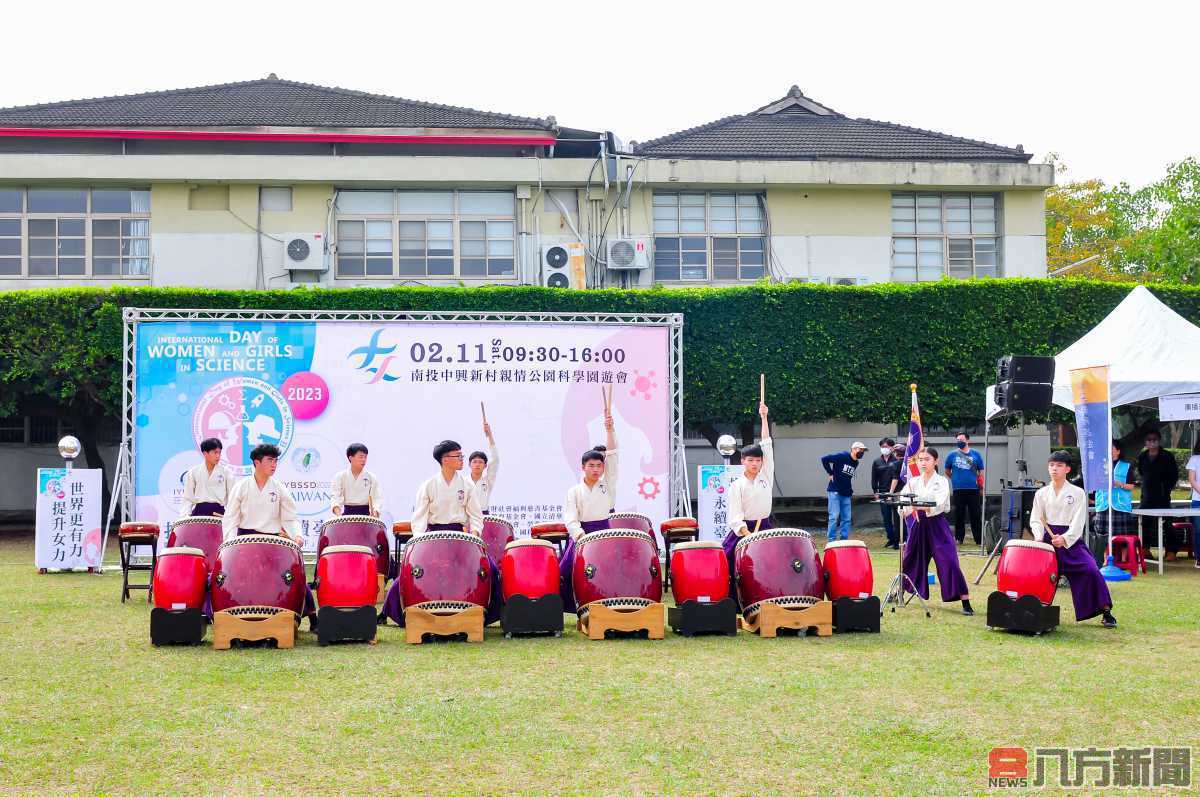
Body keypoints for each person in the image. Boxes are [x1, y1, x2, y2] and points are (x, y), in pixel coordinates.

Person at [380, 440, 492, 626]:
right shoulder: (429, 485)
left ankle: (485, 613)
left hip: (459, 537)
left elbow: (475, 514)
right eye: (459, 456)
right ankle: (391, 611)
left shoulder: (466, 485)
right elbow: (419, 517)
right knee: (408, 574)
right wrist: (419, 540)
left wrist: (477, 531)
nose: (462, 459)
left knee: (489, 569)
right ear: (446, 459)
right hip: (434, 538)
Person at [222, 444, 315, 628]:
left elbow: (290, 517)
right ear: (257, 462)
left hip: (273, 543)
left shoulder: (279, 489)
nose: (274, 465)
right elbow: (231, 518)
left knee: (293, 577)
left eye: (275, 461)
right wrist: (229, 543)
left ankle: (312, 615)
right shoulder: (241, 487)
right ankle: (228, 616)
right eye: (269, 460)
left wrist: (296, 535)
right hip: (244, 542)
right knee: (229, 577)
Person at [1031, 451, 1117, 627]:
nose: (1054, 469)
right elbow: (1036, 518)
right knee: (1036, 575)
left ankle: (1105, 611)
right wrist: (1039, 537)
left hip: (1070, 540)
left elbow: (1078, 522)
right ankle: (1032, 609)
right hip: (1047, 541)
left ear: (1067, 469)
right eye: (1052, 465)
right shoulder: (1041, 493)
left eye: (1059, 465)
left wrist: (1065, 538)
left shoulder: (1077, 493)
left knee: (1091, 569)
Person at [898, 447, 973, 615]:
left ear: (935, 461)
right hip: (918, 525)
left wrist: (917, 505)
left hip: (937, 525)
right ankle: (900, 592)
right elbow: (903, 502)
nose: (923, 463)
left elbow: (939, 504)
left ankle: (965, 601)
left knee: (949, 560)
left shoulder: (942, 481)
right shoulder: (913, 482)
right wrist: (905, 508)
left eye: (927, 459)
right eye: (921, 459)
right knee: (910, 558)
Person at [559, 408, 618, 614]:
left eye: (599, 466)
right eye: (591, 465)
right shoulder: (574, 491)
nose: (596, 469)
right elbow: (571, 520)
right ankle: (575, 608)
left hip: (604, 532)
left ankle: (610, 608)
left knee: (609, 571)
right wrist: (581, 537)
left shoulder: (608, 485)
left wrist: (610, 429)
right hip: (582, 535)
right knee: (565, 572)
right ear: (583, 467)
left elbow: (613, 455)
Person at [722, 403, 773, 599]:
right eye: (750, 460)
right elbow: (735, 517)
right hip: (743, 532)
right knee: (730, 562)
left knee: (771, 564)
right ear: (742, 461)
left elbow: (767, 445)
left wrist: (764, 418)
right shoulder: (737, 485)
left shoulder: (766, 476)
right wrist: (748, 536)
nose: (755, 464)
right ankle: (737, 603)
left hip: (765, 528)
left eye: (758, 461)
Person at [1091, 439, 1136, 565]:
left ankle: (1122, 559)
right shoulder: (1100, 465)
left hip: (1120, 505)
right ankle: (1105, 559)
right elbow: (1094, 484)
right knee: (1104, 534)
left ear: (1118, 451)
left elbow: (1131, 486)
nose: (1109, 450)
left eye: (1112, 447)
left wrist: (1120, 484)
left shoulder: (1126, 466)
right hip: (1104, 504)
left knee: (1123, 534)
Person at [1137, 430, 1180, 561]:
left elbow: (1174, 475)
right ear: (1145, 442)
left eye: (1154, 439)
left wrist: (1166, 488)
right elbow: (1141, 472)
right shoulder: (1142, 456)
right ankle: (1145, 549)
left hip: (1163, 496)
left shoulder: (1167, 456)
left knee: (1167, 524)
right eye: (1149, 440)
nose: (1151, 442)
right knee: (1144, 523)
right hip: (1147, 496)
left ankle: (1171, 551)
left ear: (1159, 440)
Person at [821, 441, 868, 541]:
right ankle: (831, 540)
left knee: (846, 518)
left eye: (863, 451)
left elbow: (846, 477)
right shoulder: (842, 456)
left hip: (846, 493)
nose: (862, 452)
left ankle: (844, 540)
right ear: (854, 449)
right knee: (834, 517)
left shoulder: (856, 462)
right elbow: (824, 459)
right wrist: (830, 473)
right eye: (861, 450)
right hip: (835, 491)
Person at [944, 432, 985, 545]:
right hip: (958, 490)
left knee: (975, 515)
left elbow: (980, 472)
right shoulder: (952, 455)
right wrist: (955, 479)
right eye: (957, 440)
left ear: (968, 440)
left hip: (973, 490)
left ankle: (979, 539)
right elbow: (947, 471)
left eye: (961, 439)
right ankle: (959, 538)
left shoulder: (976, 454)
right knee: (959, 515)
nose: (959, 442)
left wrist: (981, 486)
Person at [180, 437, 233, 517]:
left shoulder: (226, 472)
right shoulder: (194, 472)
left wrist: (230, 516)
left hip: (219, 513)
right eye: (215, 452)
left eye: (219, 453)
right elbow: (188, 498)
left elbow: (232, 498)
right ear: (205, 453)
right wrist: (185, 516)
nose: (218, 456)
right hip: (199, 513)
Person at [330, 443, 383, 517]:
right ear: (351, 458)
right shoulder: (340, 476)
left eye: (365, 457)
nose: (364, 460)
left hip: (367, 516)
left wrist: (375, 512)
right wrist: (339, 516)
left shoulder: (371, 477)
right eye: (361, 457)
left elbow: (376, 498)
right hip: (347, 516)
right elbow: (335, 497)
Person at [870, 437, 899, 549]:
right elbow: (874, 477)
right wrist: (875, 491)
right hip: (882, 492)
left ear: (892, 448)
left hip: (895, 493)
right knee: (886, 518)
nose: (884, 449)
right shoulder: (877, 461)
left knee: (897, 517)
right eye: (882, 447)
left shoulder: (896, 460)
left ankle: (898, 540)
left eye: (886, 447)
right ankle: (890, 539)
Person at [468, 420, 500, 514]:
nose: (477, 464)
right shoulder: (463, 481)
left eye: (480, 462)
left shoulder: (488, 481)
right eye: (474, 462)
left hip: (484, 516)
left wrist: (489, 435)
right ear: (469, 464)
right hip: (466, 516)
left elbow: (495, 459)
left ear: (485, 465)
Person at [1188, 439, 1200, 569]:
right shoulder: (1195, 459)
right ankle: (1199, 558)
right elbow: (1192, 479)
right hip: (1198, 500)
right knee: (1198, 530)